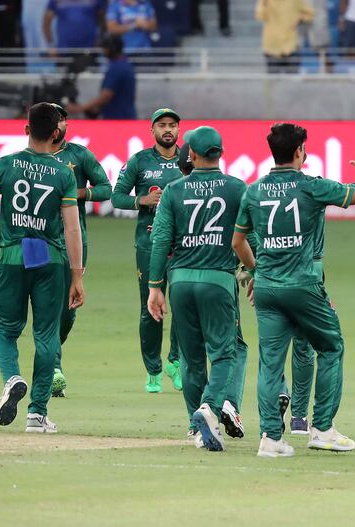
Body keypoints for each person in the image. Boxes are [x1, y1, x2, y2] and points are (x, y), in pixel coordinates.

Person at [232, 123, 355, 458]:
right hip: (303, 285)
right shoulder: (311, 186)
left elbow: (238, 241)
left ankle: (271, 440)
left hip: (268, 288)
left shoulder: (254, 191)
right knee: (331, 347)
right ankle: (323, 429)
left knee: (270, 364)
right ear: (300, 151)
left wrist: (257, 271)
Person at [0, 102, 84, 434]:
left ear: (26, 129)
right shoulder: (64, 173)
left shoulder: (5, 165)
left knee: (4, 329)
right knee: (46, 336)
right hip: (51, 257)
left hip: (14, 254)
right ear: (57, 133)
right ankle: (37, 414)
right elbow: (73, 228)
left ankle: (12, 378)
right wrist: (77, 275)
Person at [147, 126, 247, 452]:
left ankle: (195, 428)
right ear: (220, 153)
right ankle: (209, 408)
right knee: (224, 353)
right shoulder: (236, 188)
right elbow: (250, 236)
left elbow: (160, 240)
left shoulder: (174, 190)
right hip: (218, 279)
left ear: (190, 154)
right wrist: (254, 272)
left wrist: (154, 287)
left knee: (191, 360)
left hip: (180, 281)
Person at [111, 108, 184, 393]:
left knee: (182, 305)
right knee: (150, 307)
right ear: (152, 130)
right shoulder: (139, 161)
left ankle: (175, 361)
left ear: (179, 130)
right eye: (162, 125)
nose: (168, 130)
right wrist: (142, 199)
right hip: (149, 244)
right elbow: (116, 196)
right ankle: (152, 370)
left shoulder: (188, 159)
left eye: (172, 125)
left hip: (182, 245)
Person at [47, 103, 112, 397]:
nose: (59, 124)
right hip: (41, 241)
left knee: (68, 310)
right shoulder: (32, 157)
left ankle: (51, 355)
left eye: (63, 119)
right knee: (47, 302)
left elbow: (106, 188)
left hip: (75, 242)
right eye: (54, 119)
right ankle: (53, 367)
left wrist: (76, 193)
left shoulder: (80, 155)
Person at [67, 34, 135, 120]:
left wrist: (80, 108)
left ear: (112, 48)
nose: (103, 51)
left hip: (117, 119)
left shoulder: (116, 68)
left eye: (105, 48)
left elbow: (106, 96)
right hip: (125, 116)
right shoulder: (125, 64)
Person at [255, 0, 314, 74]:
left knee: (291, 80)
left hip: (291, 45)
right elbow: (260, 16)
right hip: (273, 45)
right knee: (274, 80)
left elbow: (309, 14)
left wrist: (297, 20)